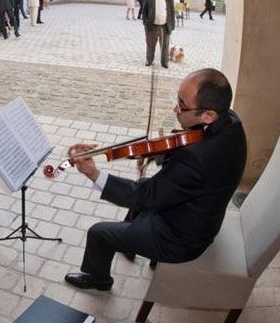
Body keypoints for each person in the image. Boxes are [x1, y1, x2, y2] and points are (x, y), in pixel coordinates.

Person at [64, 68, 247, 291]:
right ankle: (129, 242)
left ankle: (98, 279)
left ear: (208, 115)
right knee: (142, 189)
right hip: (200, 213)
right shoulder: (231, 121)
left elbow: (145, 197)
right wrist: (158, 152)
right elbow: (191, 166)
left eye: (182, 105)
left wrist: (94, 174)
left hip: (180, 239)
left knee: (99, 232)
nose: (175, 109)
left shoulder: (195, 160)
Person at [141, 0, 175, 68]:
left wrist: (172, 26)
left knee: (165, 45)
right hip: (152, 25)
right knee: (150, 44)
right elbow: (144, 11)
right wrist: (145, 22)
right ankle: (149, 60)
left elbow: (172, 12)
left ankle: (164, 62)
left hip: (165, 26)